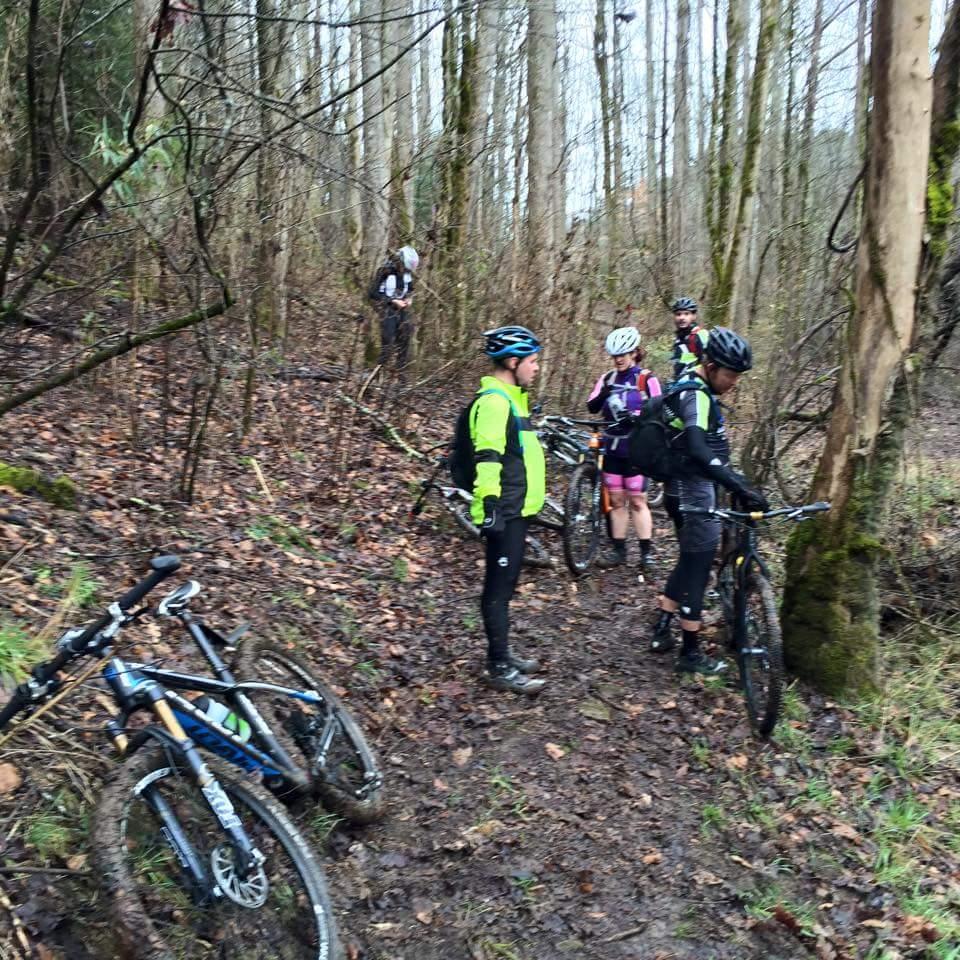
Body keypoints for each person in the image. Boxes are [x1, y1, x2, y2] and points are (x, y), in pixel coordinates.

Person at [649, 327, 768, 675]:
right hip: (695, 492)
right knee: (698, 570)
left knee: (689, 560)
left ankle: (662, 624)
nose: (734, 382)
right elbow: (700, 449)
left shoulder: (693, 383)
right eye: (730, 374)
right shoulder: (696, 395)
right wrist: (739, 485)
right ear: (712, 365)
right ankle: (690, 654)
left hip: (688, 489)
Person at [470, 325, 547, 695]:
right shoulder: (495, 403)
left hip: (518, 509)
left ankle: (502, 654)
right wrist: (489, 508)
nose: (536, 368)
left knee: (506, 587)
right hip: (504, 511)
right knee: (498, 590)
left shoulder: (513, 399)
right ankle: (497, 665)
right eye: (532, 361)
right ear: (512, 361)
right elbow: (488, 457)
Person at [586, 326, 662, 574]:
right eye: (614, 355)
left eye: (624, 353)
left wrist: (637, 416)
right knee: (617, 500)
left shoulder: (646, 379)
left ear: (635, 353)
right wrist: (603, 394)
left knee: (638, 500)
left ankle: (646, 554)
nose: (618, 359)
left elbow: (660, 411)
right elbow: (592, 406)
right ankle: (618, 551)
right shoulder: (607, 378)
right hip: (612, 447)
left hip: (637, 449)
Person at [370, 245, 419, 372]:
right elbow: (373, 293)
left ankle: (400, 375)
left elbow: (411, 290)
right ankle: (376, 373)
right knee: (388, 340)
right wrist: (391, 300)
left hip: (401, 309)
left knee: (405, 338)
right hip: (386, 308)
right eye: (404, 267)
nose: (405, 271)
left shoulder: (408, 275)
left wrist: (409, 299)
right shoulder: (385, 271)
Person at [669, 296, 709, 381]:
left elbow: (708, 364)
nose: (682, 317)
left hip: (697, 386)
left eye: (686, 314)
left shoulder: (701, 335)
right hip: (680, 385)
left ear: (694, 316)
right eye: (678, 314)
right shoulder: (679, 338)